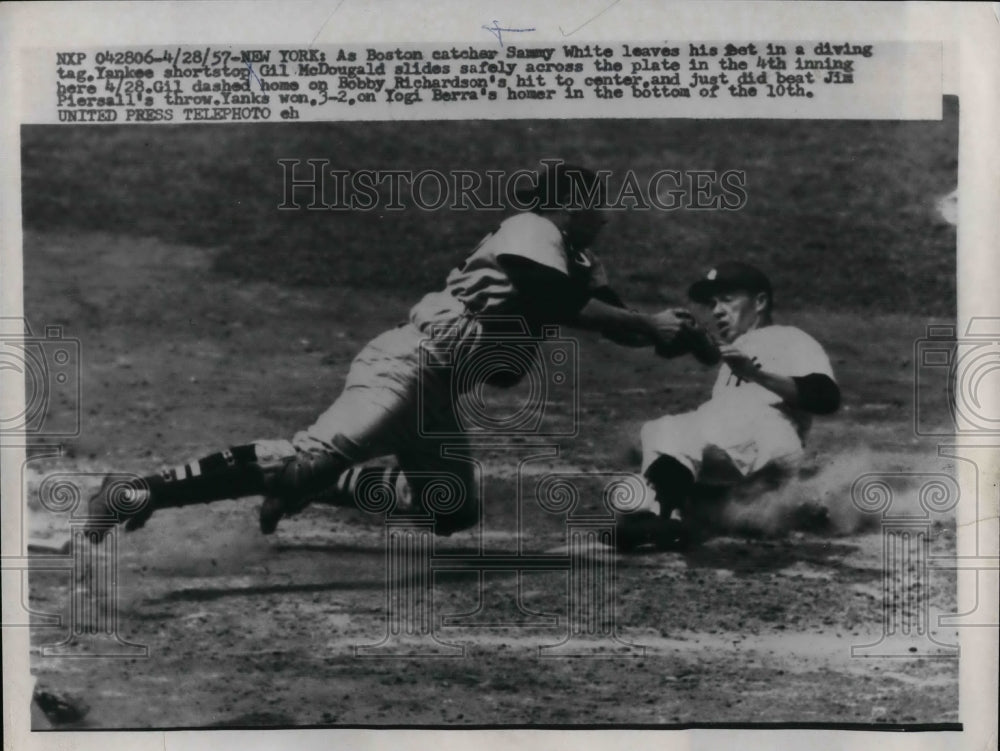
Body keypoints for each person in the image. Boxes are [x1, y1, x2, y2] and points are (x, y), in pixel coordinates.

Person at [85, 162, 696, 541]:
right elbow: (555, 302)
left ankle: (322, 483)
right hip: (407, 366)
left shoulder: (573, 259)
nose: (608, 216)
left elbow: (617, 323)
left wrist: (679, 335)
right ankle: (141, 489)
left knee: (449, 509)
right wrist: (648, 322)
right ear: (568, 206)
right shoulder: (532, 229)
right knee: (302, 457)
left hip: (436, 394)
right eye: (597, 205)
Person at [616, 261, 842, 552]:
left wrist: (756, 374)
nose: (717, 310)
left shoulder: (790, 337)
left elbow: (825, 397)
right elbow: (711, 356)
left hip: (770, 436)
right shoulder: (735, 354)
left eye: (727, 299)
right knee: (646, 468)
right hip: (740, 453)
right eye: (713, 303)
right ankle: (688, 516)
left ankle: (663, 515)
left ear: (760, 302)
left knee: (671, 430)